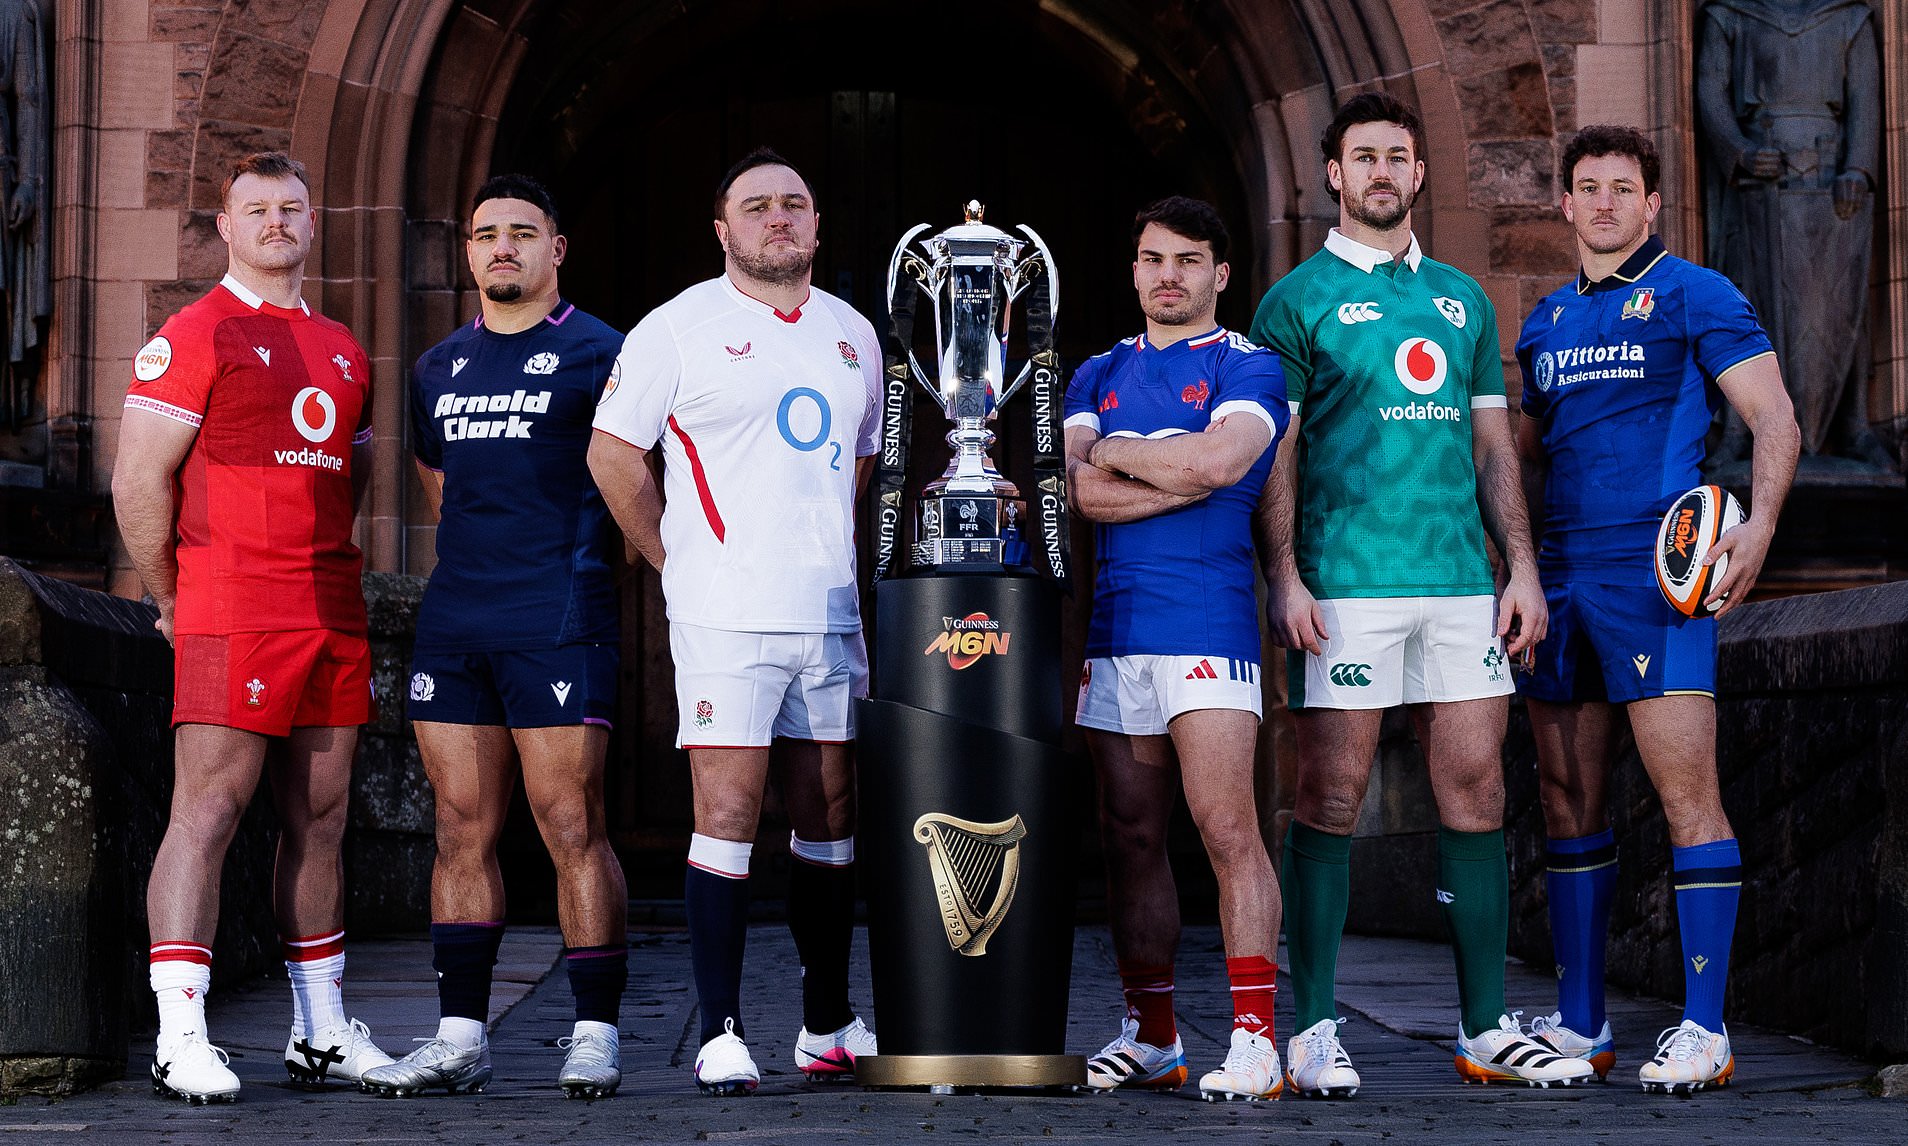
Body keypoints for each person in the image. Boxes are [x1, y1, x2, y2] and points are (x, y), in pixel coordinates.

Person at [1250, 92, 1592, 1093]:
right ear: (1335, 175)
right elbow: (1278, 453)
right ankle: (1313, 1028)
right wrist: (1285, 576)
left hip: (1457, 583)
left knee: (1477, 789)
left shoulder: (1463, 299)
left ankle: (1484, 1028)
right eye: (1364, 157)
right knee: (1331, 794)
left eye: (1398, 156)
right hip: (1346, 584)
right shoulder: (1296, 300)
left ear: (1420, 172)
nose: (1383, 172)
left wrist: (1519, 565)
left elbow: (1493, 446)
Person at [1514, 124, 1799, 1095]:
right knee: (1567, 798)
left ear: (1652, 202)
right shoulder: (1545, 321)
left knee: (1687, 796)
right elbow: (1527, 458)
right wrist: (1515, 567)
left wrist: (1758, 530)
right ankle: (1582, 1025)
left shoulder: (1695, 292)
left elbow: (1775, 416)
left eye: (1622, 188)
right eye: (1588, 187)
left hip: (1656, 581)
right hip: (1560, 583)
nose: (1604, 203)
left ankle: (1706, 1029)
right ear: (1565, 203)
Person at [588, 147, 880, 1095]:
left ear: (818, 225)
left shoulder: (854, 334)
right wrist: (677, 559)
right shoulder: (678, 328)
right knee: (727, 815)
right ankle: (719, 1030)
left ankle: (826, 1023)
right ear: (723, 229)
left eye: (794, 203)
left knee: (831, 814)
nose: (777, 218)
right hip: (726, 616)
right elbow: (612, 455)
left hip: (828, 613)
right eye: (756, 206)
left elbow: (859, 461)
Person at [112, 151, 392, 1102]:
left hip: (330, 608)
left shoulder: (345, 347)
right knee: (208, 812)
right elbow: (138, 480)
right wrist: (172, 599)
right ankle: (179, 1035)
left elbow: (350, 475)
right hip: (233, 607)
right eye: (257, 209)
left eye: (292, 208)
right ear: (225, 228)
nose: (277, 222)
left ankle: (319, 1033)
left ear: (314, 223)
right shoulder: (193, 332)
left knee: (322, 820)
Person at [359, 175, 630, 1100]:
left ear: (558, 248)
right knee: (458, 828)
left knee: (571, 824)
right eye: (485, 234)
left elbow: (639, 481)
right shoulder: (438, 367)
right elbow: (443, 489)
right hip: (457, 623)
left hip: (559, 619)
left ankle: (594, 1032)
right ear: (468, 251)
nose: (502, 247)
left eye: (522, 231)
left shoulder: (605, 353)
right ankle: (461, 1038)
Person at [1064, 196, 1289, 1101]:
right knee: (1129, 835)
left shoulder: (1249, 364)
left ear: (1220, 274)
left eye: (1188, 260)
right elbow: (1080, 493)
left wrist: (1124, 455)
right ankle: (1153, 1035)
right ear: (1134, 271)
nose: (1169, 275)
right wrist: (1177, 472)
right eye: (1154, 259)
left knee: (1227, 827)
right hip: (1117, 629)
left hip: (1209, 622)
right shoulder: (1096, 371)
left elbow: (1220, 464)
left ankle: (1256, 1041)